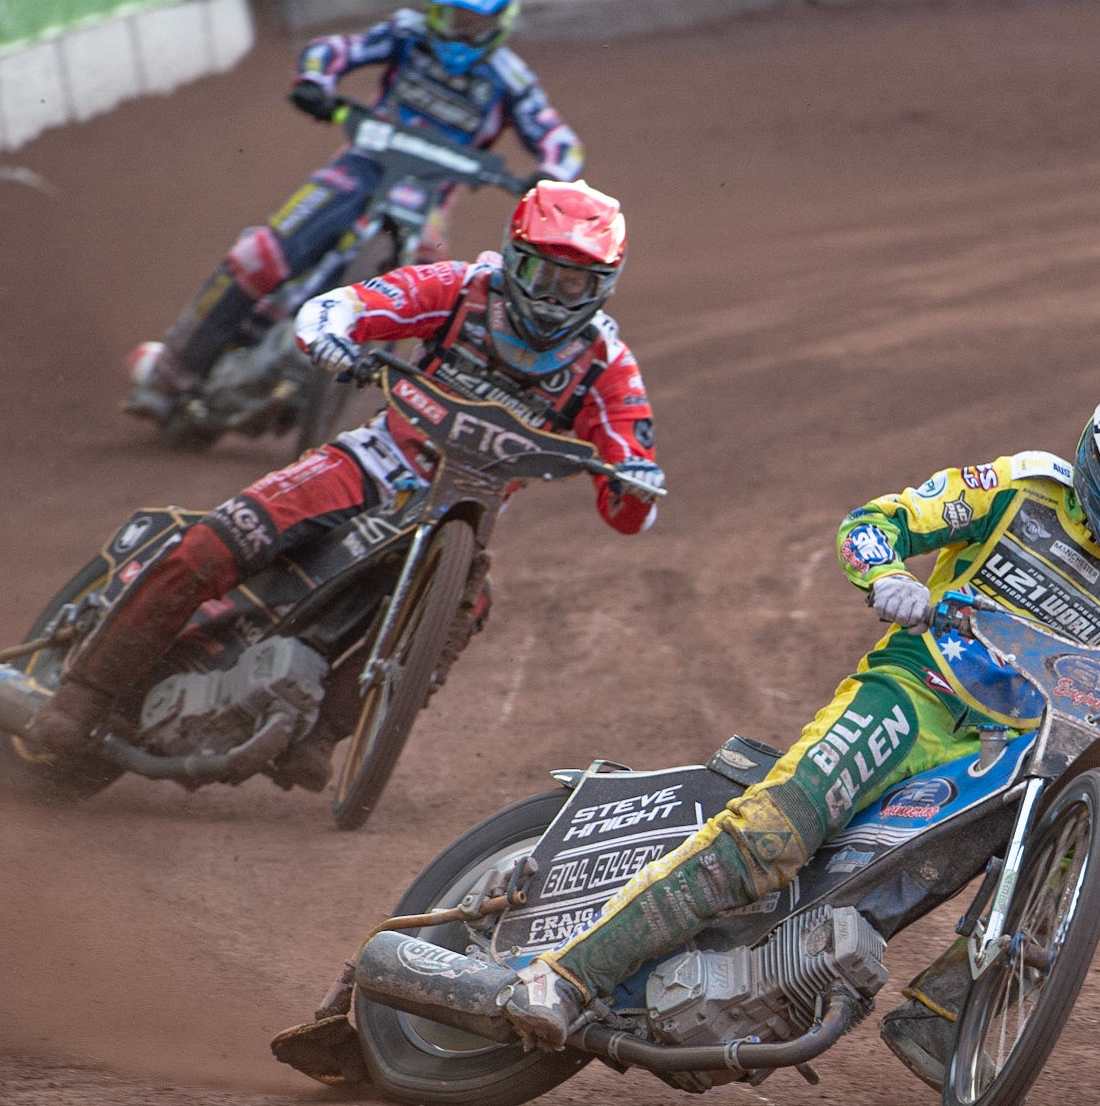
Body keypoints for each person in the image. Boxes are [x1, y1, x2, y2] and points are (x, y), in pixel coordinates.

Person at [497, 367, 1100, 1085]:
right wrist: (887, 577)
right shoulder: (1017, 488)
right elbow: (877, 521)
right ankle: (562, 973)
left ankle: (945, 1016)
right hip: (911, 692)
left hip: (1007, 749)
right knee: (773, 835)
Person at [33, 181, 663, 786]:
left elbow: (630, 493)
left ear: (603, 285)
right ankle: (82, 695)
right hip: (374, 461)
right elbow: (347, 304)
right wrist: (332, 337)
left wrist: (635, 480)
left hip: (464, 509)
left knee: (466, 610)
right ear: (514, 256)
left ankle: (321, 737)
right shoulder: (460, 286)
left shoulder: (607, 365)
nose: (553, 297)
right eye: (541, 274)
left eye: (573, 281)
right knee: (219, 541)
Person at [125, 0, 585, 425]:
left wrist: (550, 178)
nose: (457, 31)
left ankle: (349, 394)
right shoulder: (407, 34)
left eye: (472, 22)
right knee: (258, 256)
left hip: (428, 196)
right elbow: (334, 50)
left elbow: (561, 141)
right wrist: (315, 82)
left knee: (430, 286)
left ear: (499, 22)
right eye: (449, 15)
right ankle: (170, 373)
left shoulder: (509, 79)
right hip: (360, 166)